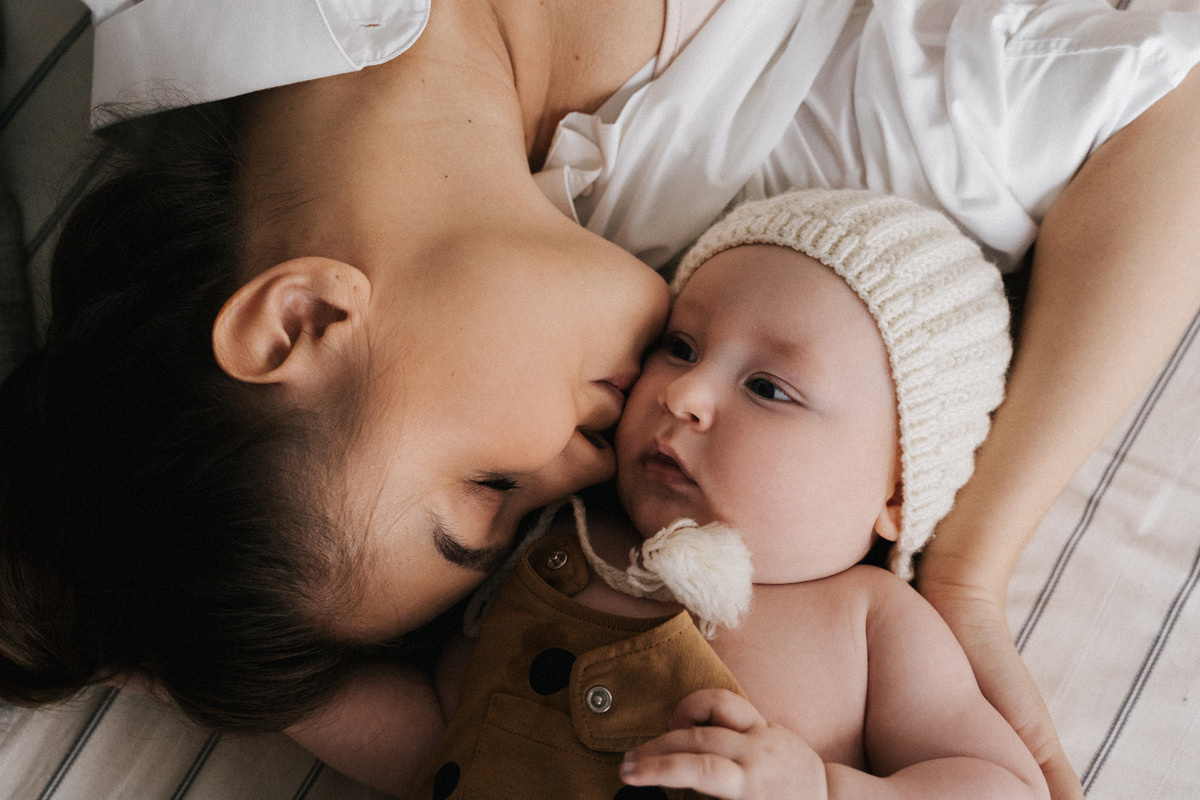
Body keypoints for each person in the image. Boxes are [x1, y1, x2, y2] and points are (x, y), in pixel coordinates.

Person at [2, 2, 1200, 797]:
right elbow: (1165, 111)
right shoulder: (774, 187)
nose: (589, 467)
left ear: (301, 318)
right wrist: (968, 567)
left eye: (487, 487)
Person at [290, 188, 1046, 799]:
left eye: (769, 387)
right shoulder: (562, 534)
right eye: (679, 346)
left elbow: (1002, 789)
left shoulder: (871, 622)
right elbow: (437, 738)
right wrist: (274, 689)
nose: (685, 391)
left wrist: (826, 790)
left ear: (898, 490)